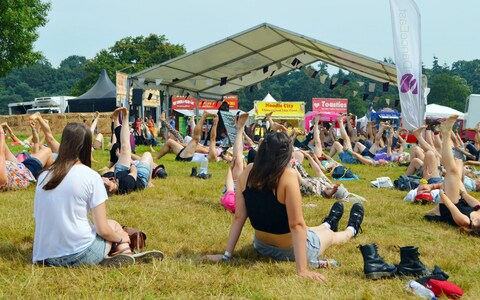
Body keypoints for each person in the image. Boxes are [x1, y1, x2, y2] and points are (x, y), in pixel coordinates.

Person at [206, 131, 364, 282]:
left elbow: (239, 217)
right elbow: (297, 225)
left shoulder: (248, 172)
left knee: (314, 230)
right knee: (331, 236)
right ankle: (351, 229)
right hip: (289, 249)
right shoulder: (287, 176)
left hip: (262, 246)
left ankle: (328, 222)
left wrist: (226, 255)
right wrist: (302, 270)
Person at [423, 115, 480, 233]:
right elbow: (475, 203)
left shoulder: (466, 221)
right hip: (459, 200)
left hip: (449, 206)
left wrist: (443, 194)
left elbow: (451, 207)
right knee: (457, 165)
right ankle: (443, 133)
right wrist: (462, 191)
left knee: (453, 172)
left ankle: (445, 133)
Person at [102, 107, 156, 194]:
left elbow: (113, 168)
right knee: (147, 154)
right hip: (139, 177)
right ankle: (149, 182)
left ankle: (122, 117)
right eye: (104, 181)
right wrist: (130, 161)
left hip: (120, 172)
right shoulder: (126, 185)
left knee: (125, 148)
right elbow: (134, 170)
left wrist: (121, 159)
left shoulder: (107, 178)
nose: (103, 179)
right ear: (111, 188)